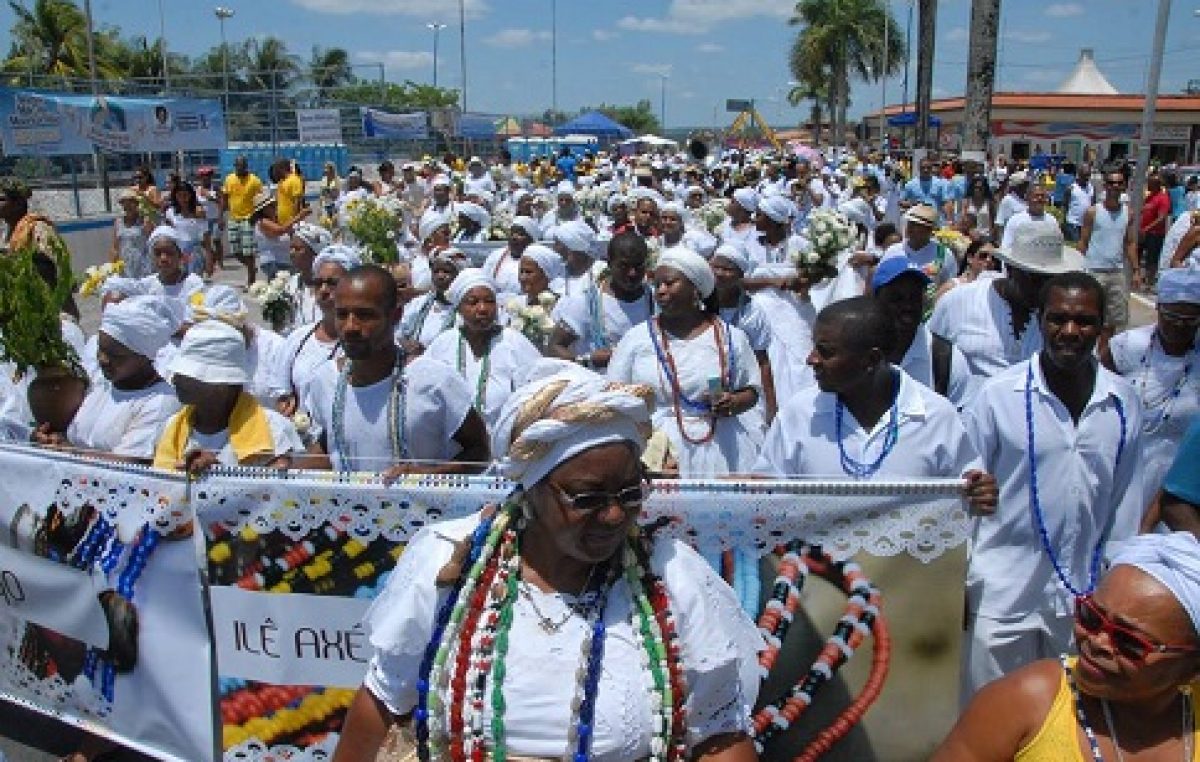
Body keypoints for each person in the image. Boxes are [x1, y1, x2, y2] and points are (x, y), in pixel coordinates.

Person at [333, 359, 763, 762]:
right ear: (532, 490)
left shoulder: (671, 577)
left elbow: (720, 731)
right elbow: (384, 701)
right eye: (587, 497)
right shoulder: (451, 561)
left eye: (631, 492)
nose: (614, 515)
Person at [960, 272, 1146, 700]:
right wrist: (960, 586)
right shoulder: (997, 396)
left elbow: (1123, 508)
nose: (1069, 331)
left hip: (1082, 598)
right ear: (1041, 320)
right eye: (1057, 318)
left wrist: (1114, 591)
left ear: (1102, 327)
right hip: (1000, 595)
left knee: (1067, 716)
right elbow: (965, 496)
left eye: (1083, 321)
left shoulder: (1121, 403)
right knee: (992, 713)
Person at [933, 531, 1200, 762]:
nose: (1099, 642)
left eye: (1129, 641)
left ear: (1191, 667)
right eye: (1091, 618)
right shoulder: (1025, 702)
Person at [754, 296, 995, 514]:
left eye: (825, 352)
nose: (811, 359)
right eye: (814, 346)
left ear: (872, 359)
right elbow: (766, 498)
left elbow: (969, 490)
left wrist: (979, 492)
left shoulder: (936, 416)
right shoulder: (798, 414)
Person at [304, 265, 490, 477]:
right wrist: (279, 474)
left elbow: (480, 452)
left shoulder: (435, 380)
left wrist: (428, 475)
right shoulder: (325, 380)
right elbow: (333, 445)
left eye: (365, 315)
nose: (350, 327)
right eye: (342, 314)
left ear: (395, 315)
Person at [608, 247, 763, 476]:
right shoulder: (636, 338)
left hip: (721, 448)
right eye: (657, 284)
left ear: (695, 289)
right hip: (657, 451)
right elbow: (614, 393)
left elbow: (752, 390)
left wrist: (734, 402)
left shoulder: (730, 337)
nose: (660, 291)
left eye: (669, 283)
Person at [32, 296, 180, 461]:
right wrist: (52, 439)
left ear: (144, 356)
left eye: (115, 355)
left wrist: (68, 452)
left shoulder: (160, 401)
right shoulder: (100, 384)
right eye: (100, 350)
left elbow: (129, 462)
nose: (102, 359)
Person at [930, 225, 1084, 383]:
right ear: (1010, 269)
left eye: (1050, 280)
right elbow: (930, 355)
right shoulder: (958, 302)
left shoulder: (1061, 318)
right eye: (1034, 279)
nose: (1042, 289)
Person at [152, 319, 303, 474]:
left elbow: (280, 493)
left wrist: (221, 474)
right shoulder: (172, 427)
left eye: (188, 376)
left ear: (224, 385)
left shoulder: (273, 429)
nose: (175, 380)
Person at [1102, 267, 1199, 507]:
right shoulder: (1127, 347)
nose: (1179, 326)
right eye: (1171, 317)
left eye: (1190, 321)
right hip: (1124, 470)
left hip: (1179, 483)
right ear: (1158, 309)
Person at [424, 269, 541, 431]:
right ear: (459, 308)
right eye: (472, 302)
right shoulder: (443, 343)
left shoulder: (514, 342)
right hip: (451, 448)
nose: (482, 309)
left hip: (502, 445)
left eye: (489, 301)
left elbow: (539, 392)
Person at [873, 258, 976, 408]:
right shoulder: (856, 351)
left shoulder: (946, 359)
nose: (907, 306)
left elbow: (962, 420)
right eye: (897, 298)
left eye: (914, 297)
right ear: (876, 299)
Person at [273, 244, 361, 416]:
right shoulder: (298, 339)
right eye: (318, 283)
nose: (323, 290)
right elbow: (280, 387)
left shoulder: (363, 341)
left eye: (332, 283)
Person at [548, 232, 654, 372]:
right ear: (609, 263)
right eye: (624, 266)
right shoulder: (587, 302)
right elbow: (554, 346)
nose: (632, 273)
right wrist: (587, 361)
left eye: (638, 266)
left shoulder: (655, 299)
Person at [709, 243, 777, 419]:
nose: (719, 273)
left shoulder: (752, 312)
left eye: (727, 269)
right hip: (707, 379)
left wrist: (771, 406)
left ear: (740, 274)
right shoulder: (699, 303)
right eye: (715, 267)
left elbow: (762, 361)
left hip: (742, 388)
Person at [1079, 170, 1140, 348]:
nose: (1115, 186)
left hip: (1116, 273)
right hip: (1093, 271)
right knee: (1089, 316)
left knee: (1112, 322)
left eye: (1119, 183)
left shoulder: (1128, 213)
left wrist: (1136, 270)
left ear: (1124, 186)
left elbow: (1129, 243)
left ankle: (1103, 357)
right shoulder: (1093, 212)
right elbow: (1083, 242)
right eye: (1112, 183)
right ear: (1105, 186)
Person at [882, 204, 959, 291]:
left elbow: (951, 287)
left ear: (929, 230)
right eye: (910, 223)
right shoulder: (893, 251)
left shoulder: (942, 254)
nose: (910, 228)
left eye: (916, 225)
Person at [397, 251, 462, 353]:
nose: (440, 276)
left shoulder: (463, 310)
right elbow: (399, 332)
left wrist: (428, 352)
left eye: (446, 271)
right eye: (436, 271)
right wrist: (406, 344)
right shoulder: (419, 303)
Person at [221, 156, 265, 289]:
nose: (239, 168)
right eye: (237, 166)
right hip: (233, 217)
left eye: (242, 166)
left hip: (248, 218)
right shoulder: (229, 179)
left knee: (248, 251)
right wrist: (220, 215)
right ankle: (251, 268)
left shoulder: (255, 180)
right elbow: (224, 197)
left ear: (246, 166)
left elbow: (261, 200)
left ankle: (251, 280)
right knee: (235, 251)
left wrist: (257, 216)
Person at [287, 221, 334, 329]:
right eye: (291, 248)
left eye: (298, 249)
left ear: (315, 254)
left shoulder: (330, 287)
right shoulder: (291, 283)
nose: (292, 253)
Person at [140, 226, 204, 302]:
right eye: (158, 253)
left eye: (169, 252)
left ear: (179, 255)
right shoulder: (146, 285)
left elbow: (199, 310)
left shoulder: (194, 284)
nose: (163, 258)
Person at [481, 216, 538, 299]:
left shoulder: (537, 259)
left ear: (531, 239)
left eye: (520, 234)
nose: (514, 237)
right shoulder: (496, 255)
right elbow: (484, 281)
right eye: (512, 233)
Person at [934, 235, 1001, 303]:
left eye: (994, 258)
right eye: (983, 256)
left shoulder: (997, 292)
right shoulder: (951, 288)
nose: (989, 260)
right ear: (970, 258)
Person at [165, 181, 208, 277]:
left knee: (194, 282)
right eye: (179, 195)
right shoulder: (170, 212)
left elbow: (206, 236)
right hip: (178, 253)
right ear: (175, 196)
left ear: (191, 195)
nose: (183, 198)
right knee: (179, 282)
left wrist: (209, 259)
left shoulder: (199, 212)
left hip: (195, 252)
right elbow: (168, 236)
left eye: (186, 195)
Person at [109, 188, 153, 278]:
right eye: (124, 203)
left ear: (137, 203)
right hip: (124, 266)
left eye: (130, 202)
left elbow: (153, 244)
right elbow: (115, 248)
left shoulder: (145, 221)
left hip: (143, 267)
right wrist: (112, 267)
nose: (127, 206)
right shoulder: (118, 222)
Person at [1141, 174, 1172, 288]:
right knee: (1140, 255)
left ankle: (1149, 282)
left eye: (1150, 183)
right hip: (1144, 232)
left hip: (1155, 234)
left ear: (1156, 185)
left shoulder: (1163, 198)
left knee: (1152, 259)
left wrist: (1147, 228)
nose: (1148, 185)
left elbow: (1161, 217)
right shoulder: (1149, 196)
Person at [195, 167, 223, 277]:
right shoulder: (197, 190)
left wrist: (209, 196)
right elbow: (196, 204)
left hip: (215, 218)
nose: (205, 178)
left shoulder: (216, 188)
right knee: (204, 243)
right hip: (203, 220)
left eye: (207, 176)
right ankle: (213, 258)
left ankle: (220, 262)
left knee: (216, 240)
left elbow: (221, 202)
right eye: (202, 176)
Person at [274, 158, 306, 227]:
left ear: (282, 168)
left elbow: (297, 202)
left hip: (291, 222)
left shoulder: (294, 180)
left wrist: (295, 219)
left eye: (276, 169)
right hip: (282, 222)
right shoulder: (281, 182)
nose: (275, 172)